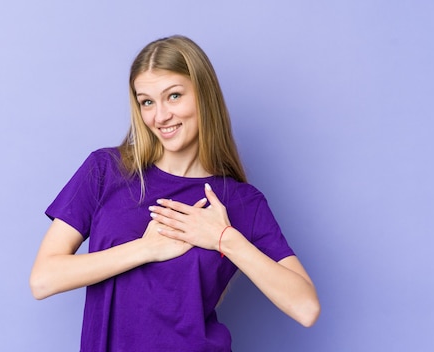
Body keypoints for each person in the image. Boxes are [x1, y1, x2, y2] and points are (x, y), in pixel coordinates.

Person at [29, 35, 320, 352]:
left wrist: (224, 238)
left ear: (203, 96)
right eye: (147, 102)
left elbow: (306, 308)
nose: (160, 116)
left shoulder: (241, 202)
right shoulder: (106, 171)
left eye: (174, 96)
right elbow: (44, 279)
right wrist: (146, 249)